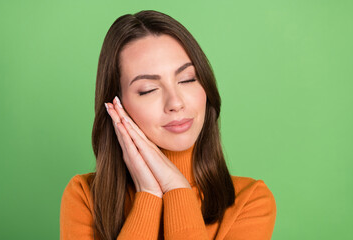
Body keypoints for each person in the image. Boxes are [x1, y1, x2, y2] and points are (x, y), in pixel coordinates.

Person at [60, 10, 276, 240]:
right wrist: (149, 195)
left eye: (187, 79)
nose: (175, 103)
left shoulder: (250, 201)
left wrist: (176, 187)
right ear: (117, 106)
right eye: (148, 90)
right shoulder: (85, 197)